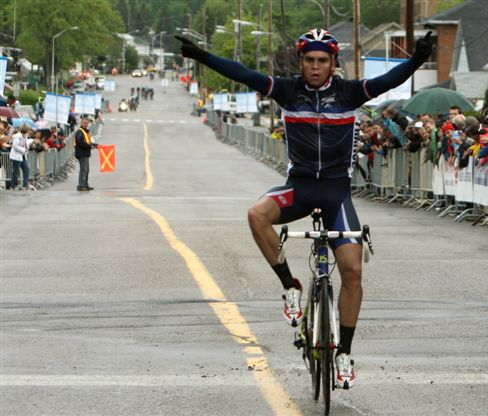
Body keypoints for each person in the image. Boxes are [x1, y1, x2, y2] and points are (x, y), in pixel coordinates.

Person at [177, 28, 434, 389]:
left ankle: (343, 351)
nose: (315, 67)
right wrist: (203, 57)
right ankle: (290, 285)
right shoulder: (286, 90)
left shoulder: (349, 93)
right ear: (301, 62)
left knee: (353, 271)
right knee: (256, 214)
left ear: (333, 64)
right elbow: (241, 72)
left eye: (322, 61)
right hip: (298, 188)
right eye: (310, 61)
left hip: (335, 194)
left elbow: (389, 79)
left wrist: (418, 60)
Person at [74, 117, 96, 191]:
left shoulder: (85, 132)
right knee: (83, 170)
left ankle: (85, 184)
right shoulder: (80, 132)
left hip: (85, 153)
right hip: (81, 153)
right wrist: (90, 146)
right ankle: (81, 185)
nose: (86, 124)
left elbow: (88, 142)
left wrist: (95, 145)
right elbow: (81, 142)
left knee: (86, 170)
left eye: (87, 123)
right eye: (84, 123)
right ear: (81, 123)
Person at [9, 123, 32, 190]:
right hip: (16, 156)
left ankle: (25, 184)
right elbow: (15, 146)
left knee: (26, 168)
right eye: (28, 130)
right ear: (25, 130)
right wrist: (23, 149)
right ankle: (13, 185)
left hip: (23, 156)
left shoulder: (24, 136)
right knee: (16, 171)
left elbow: (25, 143)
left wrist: (28, 146)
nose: (28, 131)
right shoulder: (17, 136)